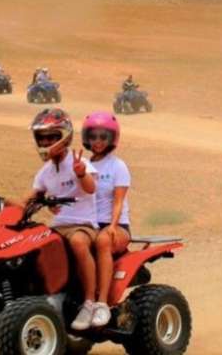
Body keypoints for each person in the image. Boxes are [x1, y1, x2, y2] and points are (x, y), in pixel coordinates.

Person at [15, 109, 99, 330]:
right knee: (32, 246)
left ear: (65, 136)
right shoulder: (44, 173)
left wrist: (81, 173)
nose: (45, 142)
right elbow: (30, 197)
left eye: (51, 136)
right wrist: (8, 205)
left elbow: (91, 189)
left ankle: (90, 302)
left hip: (83, 224)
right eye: (41, 137)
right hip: (58, 226)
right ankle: (48, 295)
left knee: (78, 243)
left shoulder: (80, 162)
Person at [83, 111, 131, 328]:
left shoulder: (117, 166)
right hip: (89, 223)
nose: (98, 142)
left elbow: (119, 201)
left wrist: (112, 225)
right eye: (93, 137)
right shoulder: (83, 164)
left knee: (102, 241)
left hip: (117, 225)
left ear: (112, 139)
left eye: (103, 137)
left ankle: (101, 303)